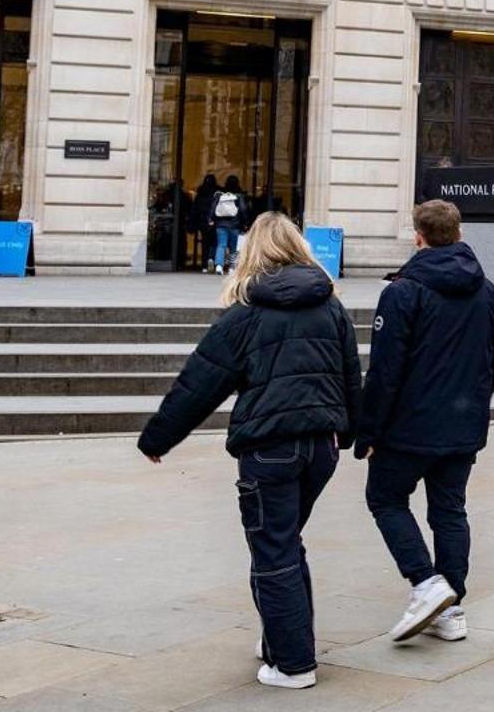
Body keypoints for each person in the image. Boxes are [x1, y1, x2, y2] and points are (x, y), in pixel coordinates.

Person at [137, 213, 362, 690]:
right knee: (285, 542)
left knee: (274, 549)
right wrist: (356, 434)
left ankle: (294, 663)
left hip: (270, 447)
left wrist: (158, 438)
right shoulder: (331, 305)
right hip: (322, 447)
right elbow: (350, 377)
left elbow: (201, 381)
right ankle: (281, 640)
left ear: (251, 253)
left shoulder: (247, 313)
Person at [355, 199, 494, 644]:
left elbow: (385, 370)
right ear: (458, 233)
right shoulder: (487, 289)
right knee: (450, 510)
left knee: (384, 498)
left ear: (418, 236)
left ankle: (427, 582)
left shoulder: (403, 291)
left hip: (409, 426)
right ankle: (451, 608)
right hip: (463, 422)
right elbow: (491, 360)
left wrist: (368, 433)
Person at [209, 176, 245, 273]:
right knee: (233, 247)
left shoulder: (221, 194)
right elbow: (242, 209)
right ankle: (232, 268)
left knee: (221, 245)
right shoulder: (239, 195)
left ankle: (219, 266)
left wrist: (211, 219)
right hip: (235, 225)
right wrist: (245, 222)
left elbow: (213, 207)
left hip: (221, 224)